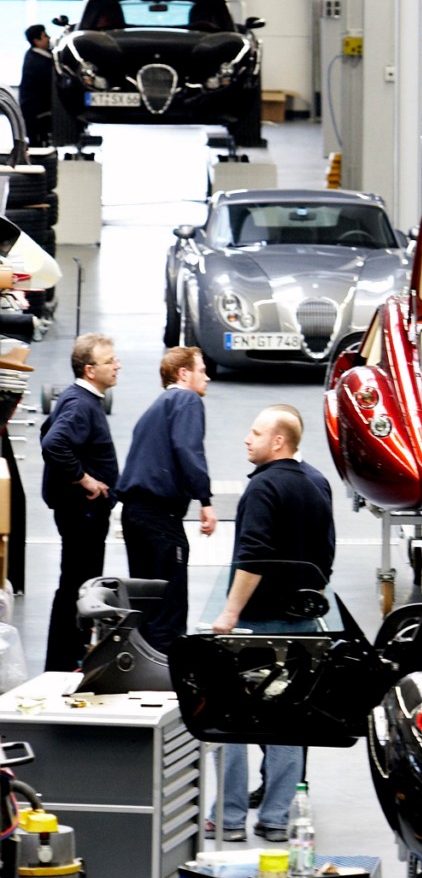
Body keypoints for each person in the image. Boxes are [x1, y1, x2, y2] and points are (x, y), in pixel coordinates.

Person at [212, 406, 335, 843]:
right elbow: (325, 558)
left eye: (256, 432)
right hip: (302, 625)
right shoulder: (316, 484)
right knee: (287, 724)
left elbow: (254, 556)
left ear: (278, 441)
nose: (247, 439)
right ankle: (277, 819)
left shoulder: (263, 487)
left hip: (257, 625)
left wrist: (229, 613)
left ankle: (228, 819)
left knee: (229, 718)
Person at [115, 346, 217, 654]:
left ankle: (143, 666)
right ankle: (167, 673)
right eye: (202, 371)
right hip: (160, 519)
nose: (207, 378)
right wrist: (205, 500)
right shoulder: (187, 400)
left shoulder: (155, 409)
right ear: (183, 374)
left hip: (135, 516)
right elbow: (188, 449)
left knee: (146, 600)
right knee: (169, 605)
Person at [39, 334, 121, 671]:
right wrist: (84, 478)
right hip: (82, 513)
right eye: (109, 361)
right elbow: (53, 442)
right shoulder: (81, 404)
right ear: (89, 370)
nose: (117, 366)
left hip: (81, 513)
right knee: (78, 586)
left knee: (76, 584)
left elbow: (47, 430)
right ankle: (64, 662)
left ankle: (65, 659)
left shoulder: (78, 399)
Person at [18, 24, 53, 147]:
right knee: (37, 145)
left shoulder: (35, 55)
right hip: (36, 112)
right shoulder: (37, 61)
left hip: (35, 110)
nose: (49, 38)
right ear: (36, 41)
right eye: (45, 36)